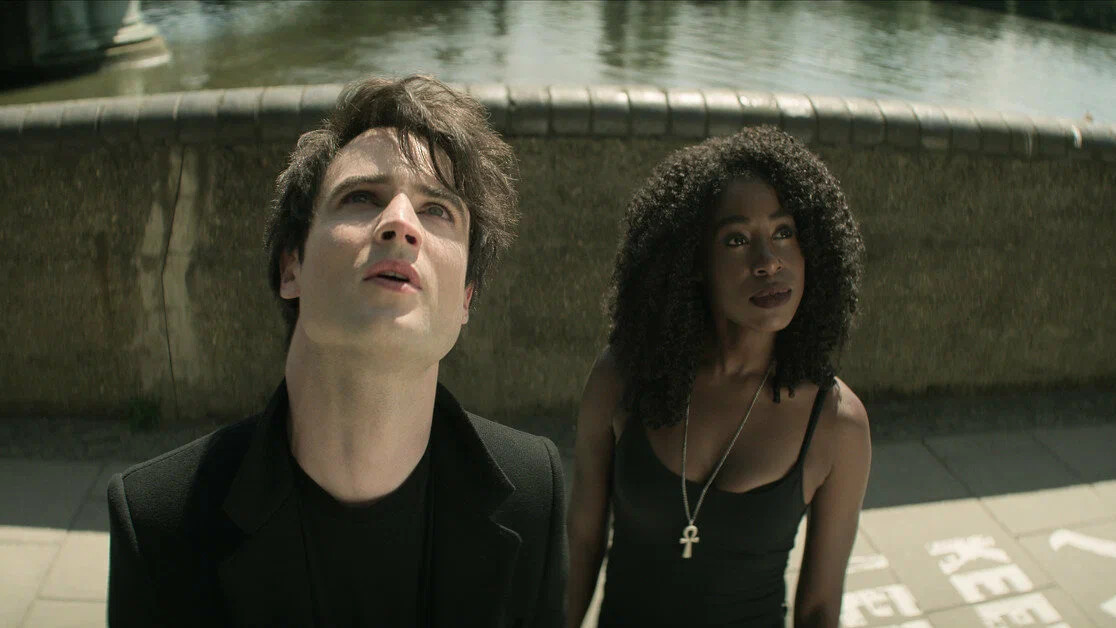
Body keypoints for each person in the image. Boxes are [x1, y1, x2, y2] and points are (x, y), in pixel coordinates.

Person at [107, 75, 567, 628]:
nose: (401, 223)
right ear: (291, 267)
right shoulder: (158, 522)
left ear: (466, 297)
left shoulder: (533, 493)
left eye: (438, 209)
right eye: (361, 198)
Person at [566, 127, 870, 628]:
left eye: (784, 232)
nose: (767, 262)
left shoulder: (838, 422)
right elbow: (581, 542)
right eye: (736, 240)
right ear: (693, 263)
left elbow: (819, 609)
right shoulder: (622, 376)